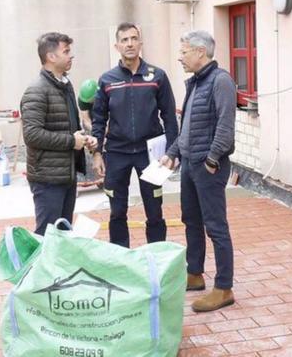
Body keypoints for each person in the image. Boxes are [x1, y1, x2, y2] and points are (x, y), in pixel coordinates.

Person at [161, 30, 237, 312]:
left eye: (184, 51)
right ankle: (194, 274)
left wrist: (213, 159)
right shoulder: (195, 83)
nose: (180, 57)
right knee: (190, 220)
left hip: (208, 167)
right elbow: (189, 127)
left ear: (200, 52)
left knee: (216, 226)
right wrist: (172, 153)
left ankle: (224, 287)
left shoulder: (221, 81)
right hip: (190, 165)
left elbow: (226, 128)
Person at [91, 23, 178, 248]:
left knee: (154, 209)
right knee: (117, 211)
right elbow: (99, 119)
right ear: (117, 45)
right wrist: (97, 153)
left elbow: (169, 116)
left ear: (140, 43)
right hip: (117, 153)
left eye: (133, 39)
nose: (129, 44)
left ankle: (157, 256)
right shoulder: (107, 80)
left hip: (151, 154)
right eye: (124, 40)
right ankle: (121, 258)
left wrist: (172, 152)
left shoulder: (157, 76)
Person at [20, 32, 97, 235]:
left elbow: (67, 127)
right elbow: (32, 134)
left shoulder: (65, 85)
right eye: (66, 51)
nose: (71, 56)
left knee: (62, 234)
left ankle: (57, 268)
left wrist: (82, 137)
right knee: (46, 236)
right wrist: (71, 141)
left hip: (65, 174)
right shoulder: (36, 90)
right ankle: (37, 268)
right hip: (47, 179)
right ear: (51, 56)